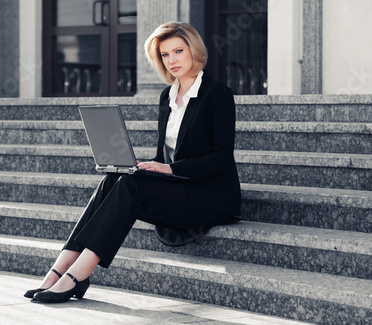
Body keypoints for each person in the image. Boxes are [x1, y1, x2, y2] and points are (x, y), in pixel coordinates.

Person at [26, 21, 241, 303]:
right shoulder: (168, 96)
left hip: (211, 196)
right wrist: (139, 165)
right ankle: (60, 268)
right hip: (179, 187)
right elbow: (164, 155)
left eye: (178, 51)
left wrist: (170, 169)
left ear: (193, 50)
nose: (172, 60)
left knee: (129, 187)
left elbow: (222, 158)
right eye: (165, 55)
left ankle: (77, 275)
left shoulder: (218, 95)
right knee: (114, 179)